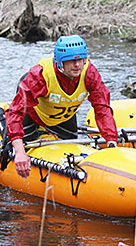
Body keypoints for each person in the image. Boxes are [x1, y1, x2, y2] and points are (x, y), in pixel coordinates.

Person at [6, 35, 118, 179]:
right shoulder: (40, 75)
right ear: (60, 63)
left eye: (80, 60)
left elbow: (102, 107)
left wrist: (111, 140)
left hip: (63, 117)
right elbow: (16, 111)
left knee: (72, 143)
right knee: (14, 143)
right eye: (71, 61)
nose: (77, 65)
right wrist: (19, 151)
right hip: (33, 117)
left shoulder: (89, 73)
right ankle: (0, 119)